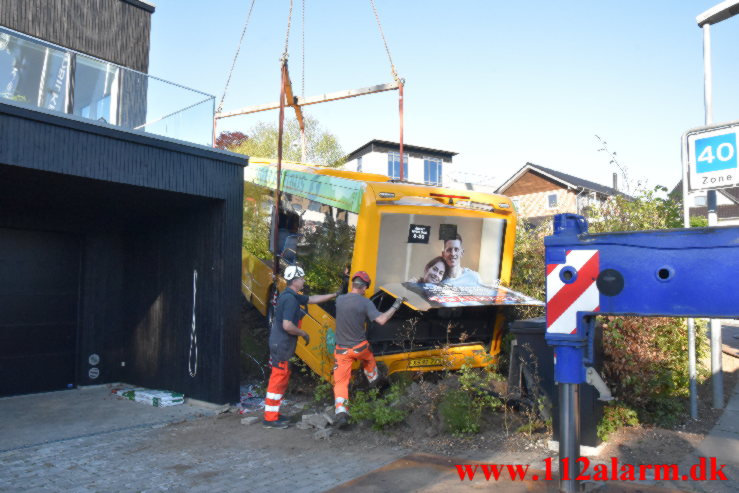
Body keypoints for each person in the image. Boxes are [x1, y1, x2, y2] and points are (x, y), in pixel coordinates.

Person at [263, 265, 338, 429]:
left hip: (281, 343)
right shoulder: (290, 299)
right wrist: (303, 333)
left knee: (281, 377)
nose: (304, 281)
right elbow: (288, 325)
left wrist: (334, 295)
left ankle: (273, 413)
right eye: (302, 278)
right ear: (295, 280)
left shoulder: (292, 295)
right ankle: (270, 418)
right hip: (282, 344)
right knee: (278, 377)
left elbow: (312, 299)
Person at [333, 271, 405, 428]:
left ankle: (341, 413)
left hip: (342, 351)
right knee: (368, 359)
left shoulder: (339, 300)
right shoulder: (365, 303)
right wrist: (395, 305)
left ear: (353, 284)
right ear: (364, 287)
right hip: (360, 348)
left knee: (340, 382)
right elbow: (382, 320)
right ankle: (375, 383)